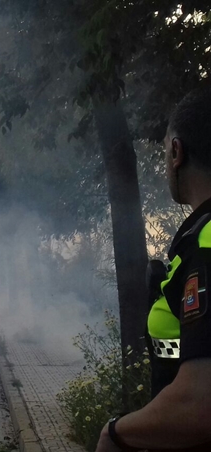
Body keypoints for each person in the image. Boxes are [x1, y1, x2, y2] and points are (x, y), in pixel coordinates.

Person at [96, 88, 211, 451]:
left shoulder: (207, 240)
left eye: (164, 151)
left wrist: (116, 433)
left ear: (177, 152)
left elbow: (199, 405)